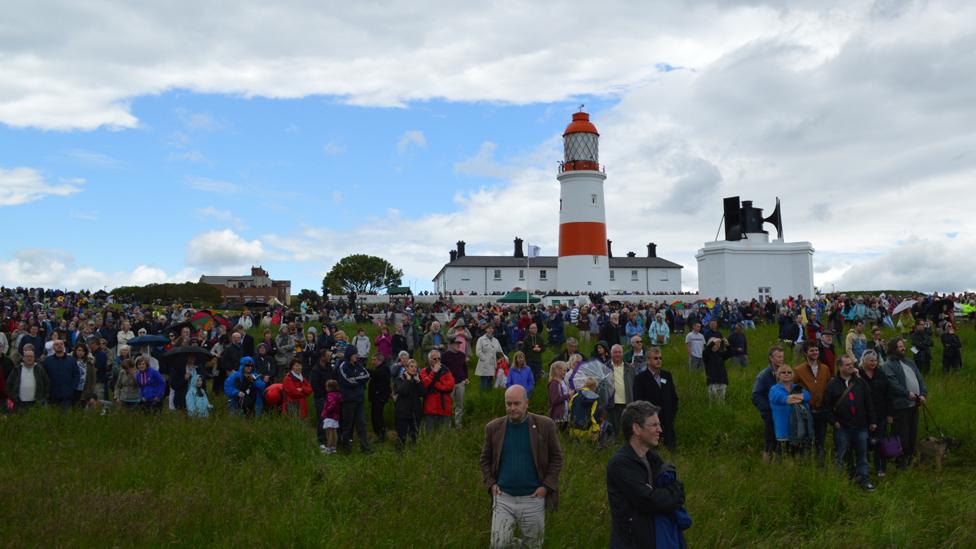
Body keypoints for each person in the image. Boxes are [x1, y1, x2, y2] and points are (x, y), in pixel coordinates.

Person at [479, 385, 563, 549]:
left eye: (516, 403)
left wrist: (546, 487)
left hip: (533, 499)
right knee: (498, 544)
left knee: (533, 545)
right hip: (503, 498)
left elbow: (557, 458)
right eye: (508, 404)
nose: (512, 408)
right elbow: (484, 459)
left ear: (526, 403)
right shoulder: (493, 428)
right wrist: (490, 484)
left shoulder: (545, 425)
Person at [607, 401, 687, 549]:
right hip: (631, 543)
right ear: (636, 428)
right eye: (654, 425)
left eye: (659, 424)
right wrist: (672, 495)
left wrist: (672, 495)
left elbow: (678, 491)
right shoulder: (620, 464)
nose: (660, 430)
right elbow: (647, 500)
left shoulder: (652, 458)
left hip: (655, 540)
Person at [824, 354, 877, 491]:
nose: (851, 367)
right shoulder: (832, 384)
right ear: (840, 366)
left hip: (861, 426)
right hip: (842, 426)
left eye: (852, 364)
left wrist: (872, 421)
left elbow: (869, 402)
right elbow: (827, 407)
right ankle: (840, 481)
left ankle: (863, 479)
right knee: (841, 454)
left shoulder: (860, 382)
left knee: (862, 454)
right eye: (847, 365)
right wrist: (834, 422)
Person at [882, 337, 927, 469]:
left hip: (914, 405)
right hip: (900, 406)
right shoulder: (888, 365)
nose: (903, 348)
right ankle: (900, 461)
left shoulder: (910, 362)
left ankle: (910, 457)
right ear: (893, 349)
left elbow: (920, 378)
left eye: (903, 346)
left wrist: (923, 393)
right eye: (900, 346)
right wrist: (907, 394)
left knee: (913, 433)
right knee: (902, 435)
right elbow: (893, 384)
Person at [633, 346, 678, 451]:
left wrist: (672, 413)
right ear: (648, 360)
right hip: (650, 422)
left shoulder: (667, 376)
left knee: (670, 452)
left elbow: (674, 397)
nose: (659, 361)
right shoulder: (640, 379)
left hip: (667, 422)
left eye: (660, 358)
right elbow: (638, 402)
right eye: (656, 358)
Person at [793, 340, 832, 460]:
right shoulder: (798, 370)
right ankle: (806, 462)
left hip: (822, 410)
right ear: (805, 353)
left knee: (820, 440)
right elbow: (794, 390)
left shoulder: (825, 369)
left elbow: (828, 387)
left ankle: (820, 463)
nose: (815, 352)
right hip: (806, 411)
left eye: (816, 350)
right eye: (811, 350)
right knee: (807, 438)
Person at [859, 350, 892, 477]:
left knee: (881, 441)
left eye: (875, 360)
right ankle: (864, 468)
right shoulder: (858, 374)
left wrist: (890, 413)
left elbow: (888, 394)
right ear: (864, 361)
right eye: (871, 360)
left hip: (881, 413)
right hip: (864, 415)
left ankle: (881, 468)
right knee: (864, 442)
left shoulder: (881, 374)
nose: (874, 363)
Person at [769, 363, 811, 454]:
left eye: (789, 372)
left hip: (798, 429)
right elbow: (783, 399)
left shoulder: (797, 387)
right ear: (778, 375)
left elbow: (807, 396)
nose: (786, 374)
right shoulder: (774, 389)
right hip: (783, 429)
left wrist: (794, 397)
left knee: (797, 456)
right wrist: (798, 398)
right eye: (783, 372)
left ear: (792, 375)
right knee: (782, 456)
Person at [751, 347, 785, 461]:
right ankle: (766, 466)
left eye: (782, 357)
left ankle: (777, 466)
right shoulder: (764, 375)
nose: (781, 359)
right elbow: (756, 395)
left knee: (781, 441)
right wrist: (768, 410)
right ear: (771, 358)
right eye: (778, 357)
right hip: (770, 414)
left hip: (783, 413)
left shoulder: (784, 372)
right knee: (770, 441)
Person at [337, 346, 371, 453]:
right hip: (348, 401)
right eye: (354, 354)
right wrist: (358, 380)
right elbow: (347, 381)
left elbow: (366, 376)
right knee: (347, 424)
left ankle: (365, 448)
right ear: (349, 355)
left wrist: (355, 379)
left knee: (361, 424)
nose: (356, 356)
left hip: (359, 400)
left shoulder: (359, 364)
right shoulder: (343, 366)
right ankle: (345, 448)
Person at [420, 349, 455, 431]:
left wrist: (435, 385)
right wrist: (433, 372)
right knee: (430, 434)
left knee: (444, 434)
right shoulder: (424, 371)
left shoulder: (446, 369)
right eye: (434, 359)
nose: (437, 360)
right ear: (429, 360)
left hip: (444, 407)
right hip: (430, 407)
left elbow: (450, 386)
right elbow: (424, 384)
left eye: (439, 358)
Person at [392, 358, 424, 448]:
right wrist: (408, 380)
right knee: (402, 435)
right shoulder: (400, 379)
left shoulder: (417, 379)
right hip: (403, 412)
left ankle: (413, 453)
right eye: (411, 366)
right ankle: (399, 454)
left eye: (415, 367)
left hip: (415, 412)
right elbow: (403, 391)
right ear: (406, 368)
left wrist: (418, 382)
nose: (414, 369)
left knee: (414, 435)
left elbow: (422, 393)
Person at [608, 344, 635, 437]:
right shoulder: (605, 367)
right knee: (613, 430)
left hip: (627, 402)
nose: (617, 354)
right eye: (615, 352)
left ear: (623, 354)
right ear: (611, 354)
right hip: (611, 404)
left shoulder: (630, 368)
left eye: (619, 352)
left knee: (627, 430)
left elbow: (634, 385)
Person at [43, 339, 78, 409]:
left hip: (68, 396)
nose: (59, 346)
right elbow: (44, 377)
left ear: (64, 346)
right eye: (57, 344)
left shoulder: (72, 360)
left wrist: (72, 388)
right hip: (52, 395)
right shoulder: (47, 360)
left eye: (61, 344)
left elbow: (76, 375)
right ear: (53, 347)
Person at [442, 337, 469, 426]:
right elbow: (441, 369)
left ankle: (458, 424)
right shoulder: (445, 355)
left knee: (460, 405)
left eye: (459, 344)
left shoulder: (462, 355)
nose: (458, 345)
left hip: (460, 382)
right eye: (456, 344)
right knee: (448, 405)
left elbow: (465, 367)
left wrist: (466, 377)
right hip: (449, 384)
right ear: (451, 345)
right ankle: (448, 425)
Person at [367, 353, 392, 439]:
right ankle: (380, 433)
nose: (372, 362)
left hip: (380, 397)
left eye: (374, 360)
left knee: (377, 416)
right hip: (377, 396)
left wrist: (364, 369)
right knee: (376, 415)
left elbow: (376, 374)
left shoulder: (384, 368)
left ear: (379, 360)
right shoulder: (381, 368)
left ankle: (380, 434)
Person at [475, 325, 503, 392]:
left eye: (492, 328)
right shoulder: (481, 339)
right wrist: (485, 359)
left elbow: (500, 351)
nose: (490, 329)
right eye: (489, 328)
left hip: (493, 363)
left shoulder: (496, 340)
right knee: (484, 381)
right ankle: (483, 396)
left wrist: (500, 359)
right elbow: (478, 352)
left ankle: (489, 395)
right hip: (484, 363)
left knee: (490, 381)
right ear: (486, 329)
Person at [703, 337, 731, 403]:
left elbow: (730, 353)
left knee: (721, 402)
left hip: (722, 381)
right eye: (716, 343)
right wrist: (713, 342)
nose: (718, 345)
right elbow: (706, 350)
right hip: (712, 382)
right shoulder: (706, 354)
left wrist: (727, 346)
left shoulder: (720, 354)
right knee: (713, 402)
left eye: (719, 344)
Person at [546, 361, 572, 427]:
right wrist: (568, 395)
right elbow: (555, 400)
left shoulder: (562, 381)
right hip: (557, 415)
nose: (565, 373)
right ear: (557, 370)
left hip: (564, 414)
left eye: (566, 371)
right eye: (563, 371)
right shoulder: (554, 383)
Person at [320, 379, 342, 454]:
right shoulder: (338, 394)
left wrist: (326, 410)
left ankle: (328, 448)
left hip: (329, 415)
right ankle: (334, 447)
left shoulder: (330, 395)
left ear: (329, 387)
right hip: (336, 416)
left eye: (326, 387)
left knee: (329, 432)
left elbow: (332, 405)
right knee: (334, 431)